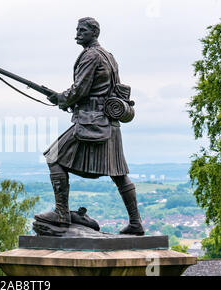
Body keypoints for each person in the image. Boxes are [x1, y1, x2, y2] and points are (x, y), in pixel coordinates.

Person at [34, 17, 145, 235]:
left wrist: (61, 98)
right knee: (119, 174)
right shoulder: (108, 55)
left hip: (91, 122)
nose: (77, 33)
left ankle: (61, 213)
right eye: (76, 29)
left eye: (82, 30)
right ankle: (136, 223)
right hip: (107, 123)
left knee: (52, 157)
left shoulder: (92, 56)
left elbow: (80, 89)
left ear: (94, 32)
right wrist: (68, 101)